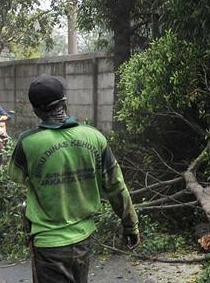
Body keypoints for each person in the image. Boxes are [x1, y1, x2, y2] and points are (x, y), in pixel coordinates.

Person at [10, 75, 140, 283]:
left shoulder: (27, 143)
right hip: (82, 241)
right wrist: (130, 225)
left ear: (36, 110)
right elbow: (117, 186)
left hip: (48, 243)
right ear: (64, 103)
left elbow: (20, 179)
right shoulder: (94, 137)